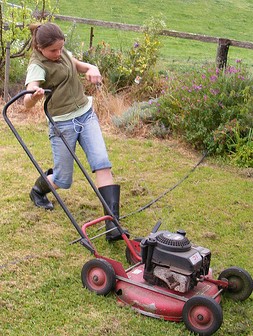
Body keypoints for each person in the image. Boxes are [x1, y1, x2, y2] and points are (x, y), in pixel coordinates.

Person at [24, 22, 128, 241]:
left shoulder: (62, 53)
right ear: (40, 47)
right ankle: (38, 190)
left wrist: (92, 68)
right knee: (63, 179)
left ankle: (113, 226)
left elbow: (80, 66)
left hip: (86, 114)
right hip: (62, 124)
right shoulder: (37, 65)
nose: (58, 53)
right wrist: (33, 95)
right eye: (53, 50)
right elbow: (27, 99)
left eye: (61, 48)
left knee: (102, 161)